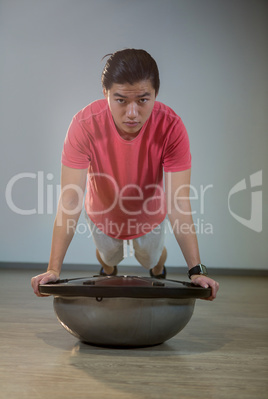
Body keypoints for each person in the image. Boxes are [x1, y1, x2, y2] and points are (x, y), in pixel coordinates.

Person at [31, 48, 219, 300]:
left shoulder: (171, 126)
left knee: (150, 260)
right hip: (103, 213)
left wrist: (196, 270)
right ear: (106, 94)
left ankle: (158, 266)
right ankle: (108, 268)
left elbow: (178, 201)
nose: (132, 113)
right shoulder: (84, 124)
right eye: (121, 100)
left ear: (155, 95)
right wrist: (53, 269)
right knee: (109, 260)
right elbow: (70, 199)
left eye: (143, 100)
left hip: (149, 214)